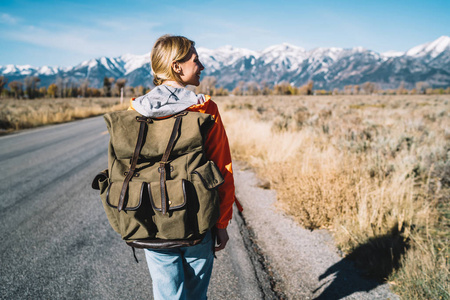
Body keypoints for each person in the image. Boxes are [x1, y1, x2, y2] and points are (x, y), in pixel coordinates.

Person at [127, 34, 242, 300]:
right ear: (176, 66)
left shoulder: (136, 109)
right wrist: (222, 223)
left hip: (152, 220)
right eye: (195, 59)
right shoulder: (204, 109)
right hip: (197, 221)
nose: (201, 66)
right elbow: (223, 169)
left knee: (167, 295)